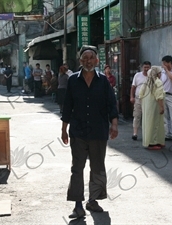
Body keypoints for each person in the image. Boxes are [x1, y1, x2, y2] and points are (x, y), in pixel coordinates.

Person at [61, 45, 118, 219]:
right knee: (77, 168)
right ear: (80, 61)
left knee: (97, 167)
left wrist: (114, 124)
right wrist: (64, 129)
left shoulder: (103, 81)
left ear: (97, 60)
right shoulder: (73, 81)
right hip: (78, 131)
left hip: (98, 131)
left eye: (91, 57)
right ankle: (78, 205)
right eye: (84, 58)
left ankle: (93, 200)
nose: (88, 61)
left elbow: (111, 104)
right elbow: (67, 106)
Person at [139, 66, 165, 150]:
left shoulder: (146, 82)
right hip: (155, 106)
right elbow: (159, 96)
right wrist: (161, 107)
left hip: (147, 107)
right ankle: (153, 142)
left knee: (148, 124)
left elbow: (140, 94)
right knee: (156, 124)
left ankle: (149, 141)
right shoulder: (158, 82)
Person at [130, 61, 151, 140]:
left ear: (150, 68)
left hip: (148, 99)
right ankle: (135, 133)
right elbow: (133, 87)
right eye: (145, 67)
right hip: (138, 98)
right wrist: (132, 97)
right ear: (142, 67)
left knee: (147, 117)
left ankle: (147, 133)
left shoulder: (152, 76)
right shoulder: (137, 75)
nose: (146, 69)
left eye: (147, 67)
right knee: (137, 115)